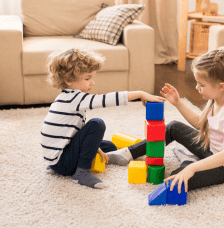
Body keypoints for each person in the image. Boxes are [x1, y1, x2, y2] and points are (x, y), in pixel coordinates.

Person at [107, 49, 224, 194]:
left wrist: (191, 168)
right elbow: (199, 123)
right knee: (173, 127)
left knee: (177, 181)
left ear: (221, 86)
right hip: (212, 149)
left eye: (201, 85)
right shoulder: (216, 97)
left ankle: (188, 162)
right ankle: (127, 153)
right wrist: (177, 102)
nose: (197, 87)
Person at [41, 48, 164, 189]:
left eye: (92, 77)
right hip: (63, 163)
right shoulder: (75, 98)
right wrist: (139, 94)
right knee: (97, 125)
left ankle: (61, 165)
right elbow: (106, 99)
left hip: (55, 161)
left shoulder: (64, 97)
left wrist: (96, 148)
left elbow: (71, 132)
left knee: (108, 147)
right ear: (69, 80)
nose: (92, 82)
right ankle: (81, 173)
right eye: (87, 78)